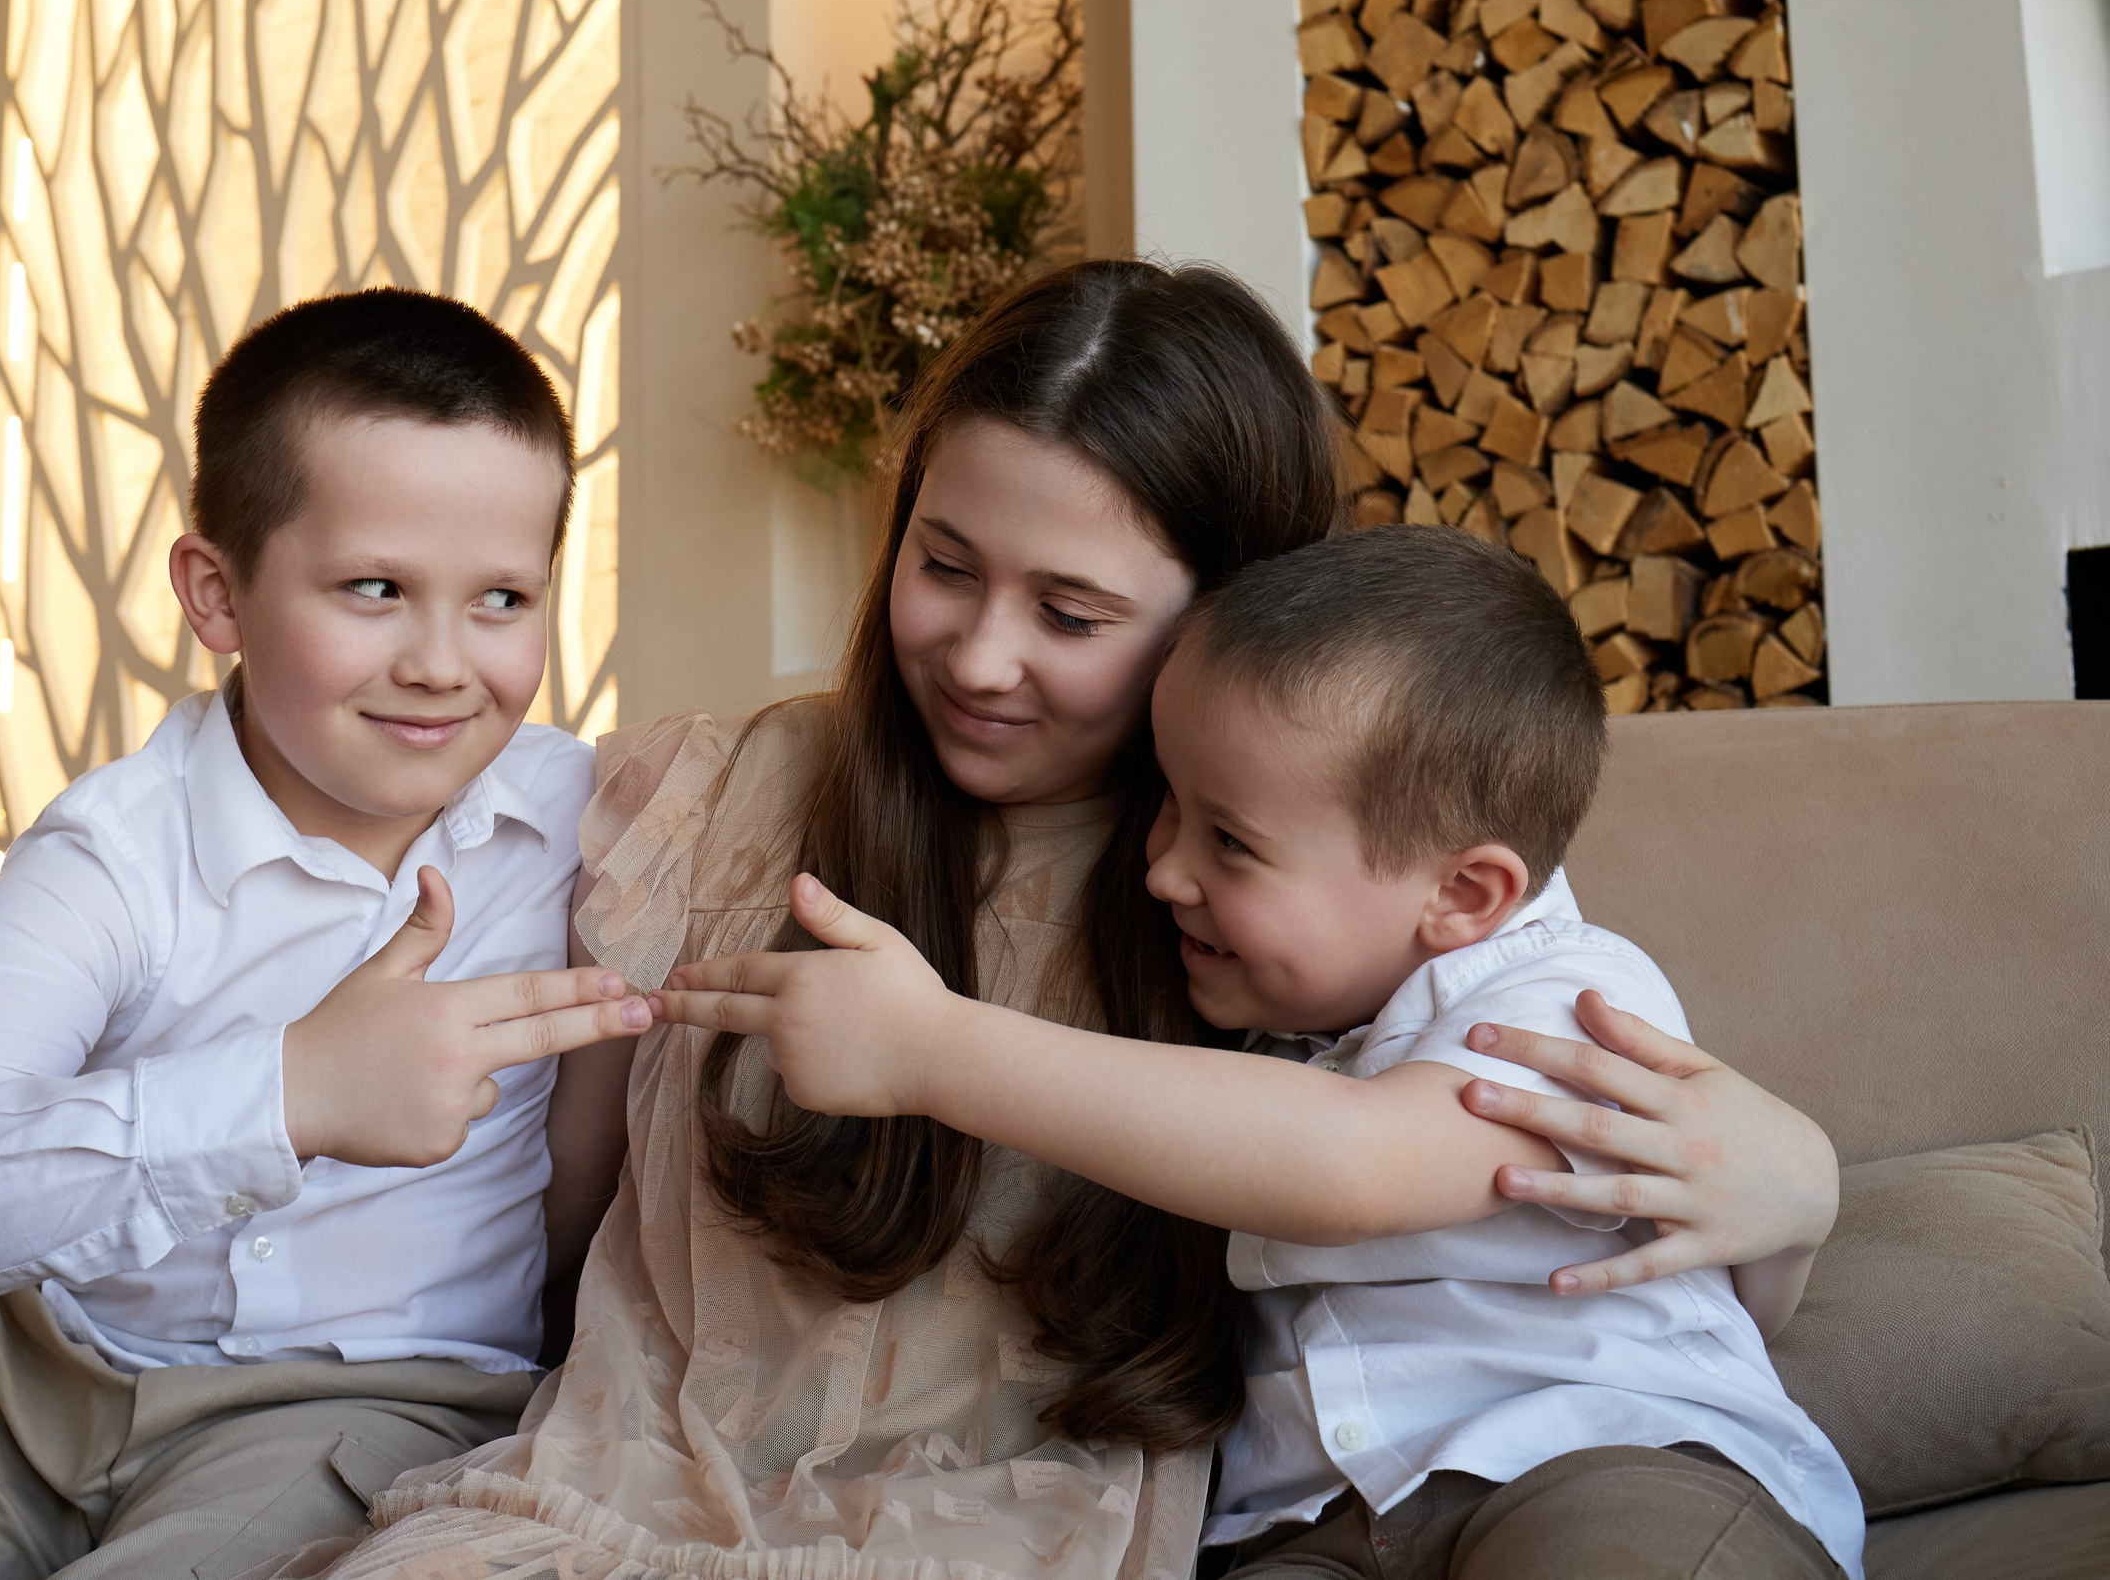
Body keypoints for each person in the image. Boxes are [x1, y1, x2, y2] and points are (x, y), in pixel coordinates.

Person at [293, 261, 1844, 1580]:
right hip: (619, 1481)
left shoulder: (1298, 895)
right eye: (944, 564)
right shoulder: (721, 799)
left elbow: (1404, 1130)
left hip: (1024, 1521)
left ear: (1237, 613)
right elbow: (544, 1197)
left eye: (1075, 612)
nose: (977, 653)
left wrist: (1806, 1183)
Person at [0, 290, 650, 1580]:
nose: (443, 662)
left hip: (364, 1409)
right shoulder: (113, 851)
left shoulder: (598, 824)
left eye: (502, 599)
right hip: (18, 1397)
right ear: (217, 593)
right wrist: (287, 1092)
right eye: (374, 588)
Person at [660, 524, 1863, 1578]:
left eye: (1229, 843)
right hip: (1306, 1527)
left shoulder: (1571, 997)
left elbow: (1352, 1170)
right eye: (1166, 806)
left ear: (1465, 893)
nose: (1162, 868)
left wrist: (932, 1049)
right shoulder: (1272, 1029)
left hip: (1599, 1458)